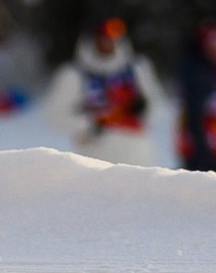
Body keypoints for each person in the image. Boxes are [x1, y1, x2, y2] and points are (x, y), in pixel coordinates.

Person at [42, 17, 168, 166]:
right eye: (103, 39)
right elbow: (53, 115)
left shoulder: (137, 68)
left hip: (138, 157)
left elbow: (159, 106)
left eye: (113, 39)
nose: (108, 43)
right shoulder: (74, 74)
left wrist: (144, 108)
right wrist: (89, 125)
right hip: (95, 158)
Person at [176, 20, 216, 174]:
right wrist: (203, 151)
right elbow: (193, 114)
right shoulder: (197, 73)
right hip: (204, 150)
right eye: (214, 47)